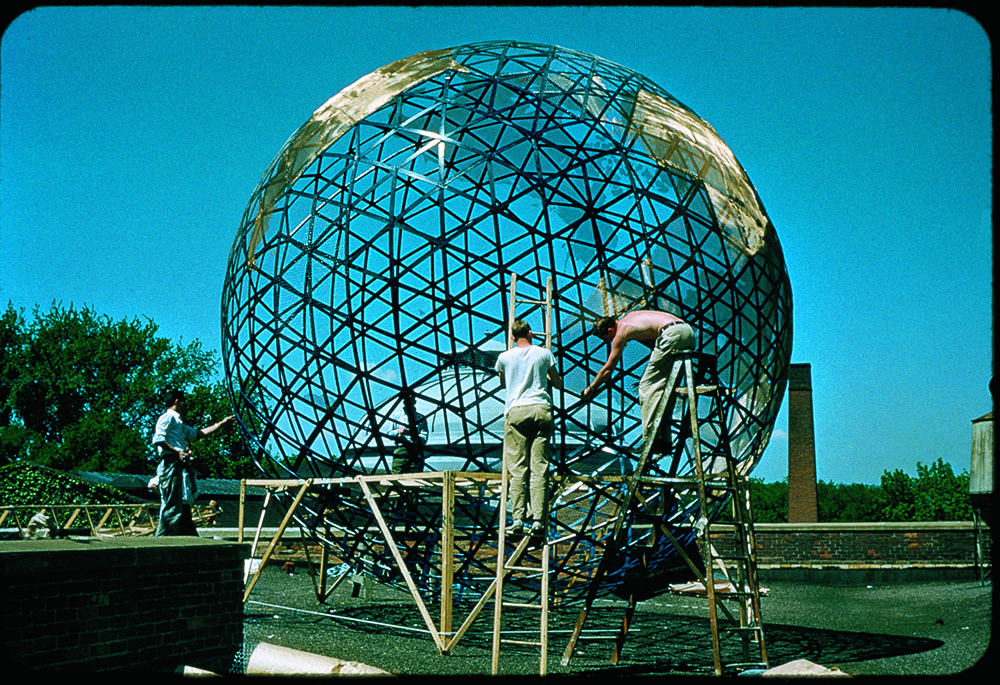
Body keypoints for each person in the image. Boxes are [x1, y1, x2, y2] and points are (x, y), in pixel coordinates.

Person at [580, 310, 696, 455]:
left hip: (671, 336)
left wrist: (591, 388)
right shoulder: (631, 316)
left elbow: (608, 368)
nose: (608, 342)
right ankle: (665, 440)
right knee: (667, 386)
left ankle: (652, 440)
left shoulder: (621, 332)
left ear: (610, 330)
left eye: (607, 338)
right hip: (687, 332)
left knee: (646, 386)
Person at [495, 319, 562, 536]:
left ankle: (517, 519)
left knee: (517, 469)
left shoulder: (504, 357)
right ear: (531, 333)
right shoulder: (544, 353)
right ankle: (538, 521)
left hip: (516, 410)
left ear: (512, 337)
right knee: (539, 468)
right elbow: (557, 382)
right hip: (541, 408)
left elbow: (503, 383)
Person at [151, 389, 234, 536]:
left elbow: (198, 433)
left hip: (177, 465)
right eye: (184, 401)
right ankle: (161, 540)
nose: (186, 405)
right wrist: (177, 453)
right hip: (170, 463)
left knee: (179, 506)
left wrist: (221, 424)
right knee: (171, 507)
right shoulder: (167, 417)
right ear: (177, 401)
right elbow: (158, 439)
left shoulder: (178, 422)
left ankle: (184, 536)